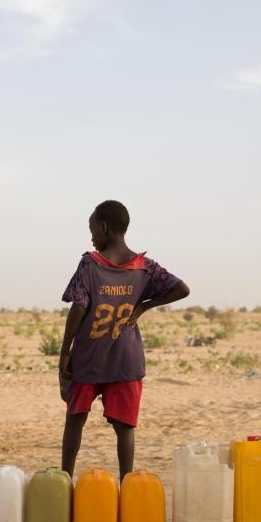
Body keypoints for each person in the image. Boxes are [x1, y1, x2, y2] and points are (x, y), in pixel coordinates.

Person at [59, 200, 190, 481]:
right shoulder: (145, 268)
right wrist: (143, 305)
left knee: (75, 420)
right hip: (125, 362)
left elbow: (78, 308)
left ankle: (64, 481)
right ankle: (128, 487)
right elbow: (182, 289)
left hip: (88, 359)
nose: (92, 237)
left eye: (93, 230)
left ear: (104, 227)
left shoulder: (89, 265)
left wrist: (64, 354)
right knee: (125, 429)